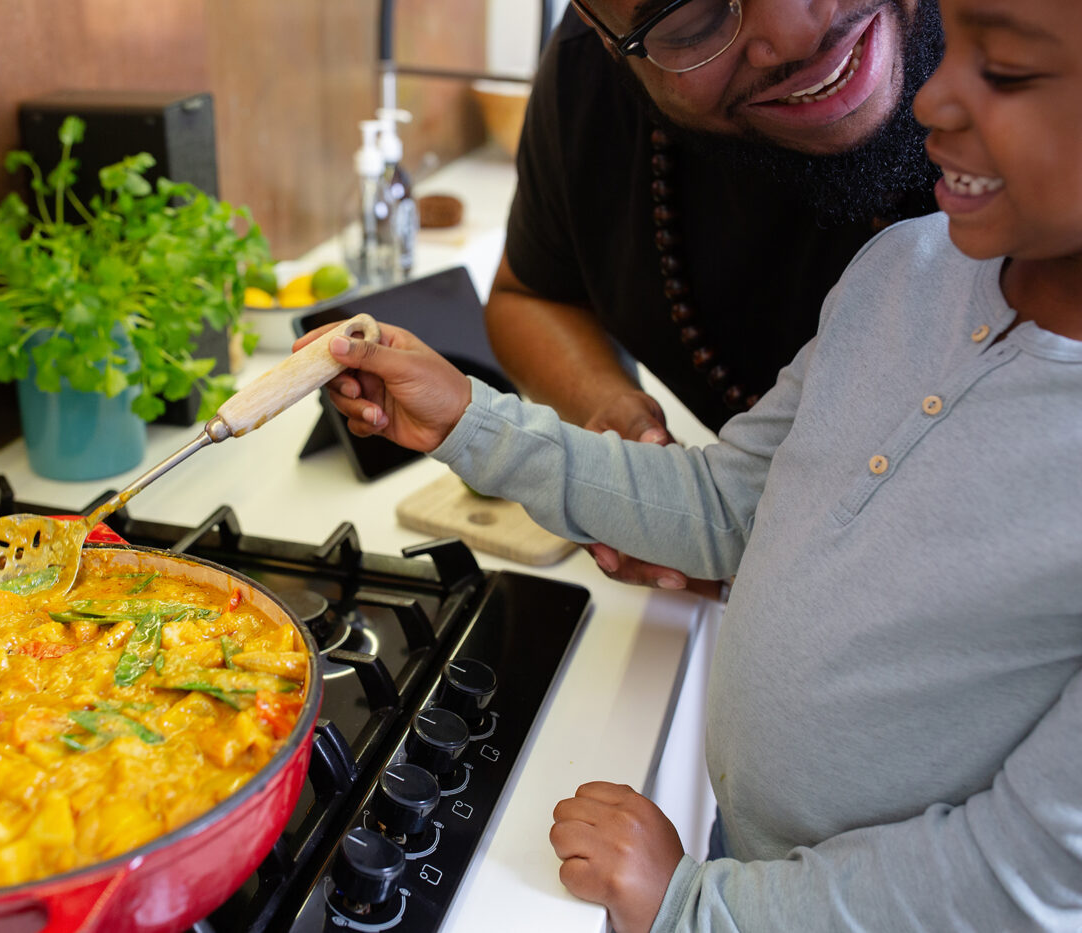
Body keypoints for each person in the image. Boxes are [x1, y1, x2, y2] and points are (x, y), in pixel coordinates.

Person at [296, 0, 1082, 926]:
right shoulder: (904, 270)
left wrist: (693, 908)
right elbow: (726, 504)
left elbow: (1023, 875)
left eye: (1007, 70)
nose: (934, 92)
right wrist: (469, 421)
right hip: (749, 864)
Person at [491, 0, 944, 591]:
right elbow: (531, 296)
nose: (794, 35)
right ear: (604, 33)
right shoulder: (593, 84)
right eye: (693, 19)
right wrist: (624, 436)